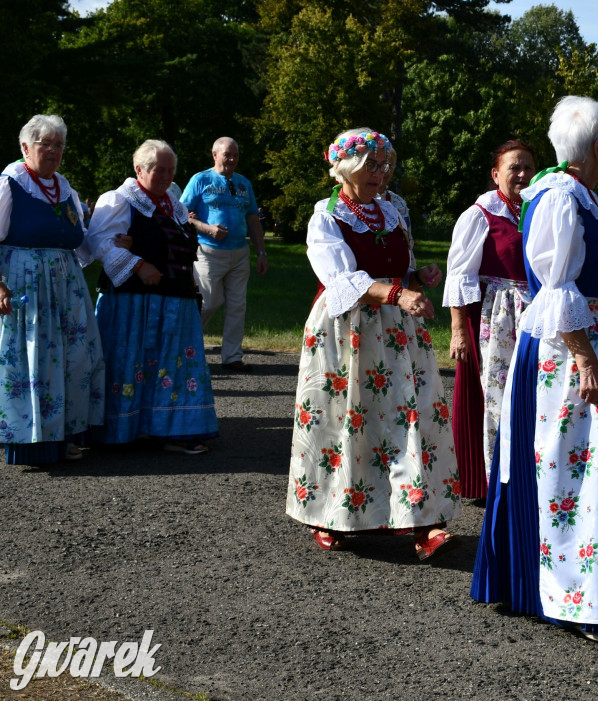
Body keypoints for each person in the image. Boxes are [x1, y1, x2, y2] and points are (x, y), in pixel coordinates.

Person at [471, 97, 598, 643]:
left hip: (591, 340)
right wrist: (585, 359)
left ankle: (594, 591)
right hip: (564, 352)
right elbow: (555, 290)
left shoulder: (584, 198)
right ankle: (583, 598)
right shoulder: (557, 199)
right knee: (581, 475)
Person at [285, 129, 460, 560]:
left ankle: (423, 522)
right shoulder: (326, 217)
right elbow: (341, 280)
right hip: (347, 330)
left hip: (398, 332)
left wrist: (418, 278)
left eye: (384, 167)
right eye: (371, 167)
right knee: (344, 421)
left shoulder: (393, 210)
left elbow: (400, 266)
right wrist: (399, 293)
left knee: (410, 418)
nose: (380, 175)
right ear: (347, 168)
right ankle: (330, 516)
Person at [86, 140, 218, 454]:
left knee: (174, 368)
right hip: (133, 303)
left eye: (170, 170)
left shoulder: (174, 203)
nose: (165, 176)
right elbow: (99, 243)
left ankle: (172, 431)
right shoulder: (120, 200)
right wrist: (138, 263)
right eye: (159, 169)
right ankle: (123, 429)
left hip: (176, 299)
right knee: (129, 363)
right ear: (139, 169)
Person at [0, 114, 104, 465]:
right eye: (45, 144)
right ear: (25, 147)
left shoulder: (65, 188)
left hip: (66, 288)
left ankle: (66, 433)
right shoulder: (10, 184)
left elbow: (81, 241)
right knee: (32, 361)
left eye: (59, 145)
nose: (53, 151)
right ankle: (32, 440)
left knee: (75, 360)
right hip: (24, 288)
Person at [443, 140, 537, 499]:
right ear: (496, 174)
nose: (523, 174)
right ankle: (495, 476)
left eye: (528, 166)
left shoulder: (538, 209)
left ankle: (528, 472)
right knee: (497, 396)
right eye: (514, 167)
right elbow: (459, 274)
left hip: (535, 313)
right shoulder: (480, 214)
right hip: (496, 316)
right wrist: (458, 330)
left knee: (532, 393)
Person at [180, 137, 268, 373]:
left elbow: (252, 219)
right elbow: (182, 215)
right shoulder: (201, 180)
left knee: (237, 306)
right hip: (208, 252)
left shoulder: (243, 184)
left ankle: (232, 357)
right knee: (208, 303)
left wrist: (261, 251)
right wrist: (208, 228)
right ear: (215, 155)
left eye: (235, 155)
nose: (232, 159)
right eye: (227, 154)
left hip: (239, 253)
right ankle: (186, 351)